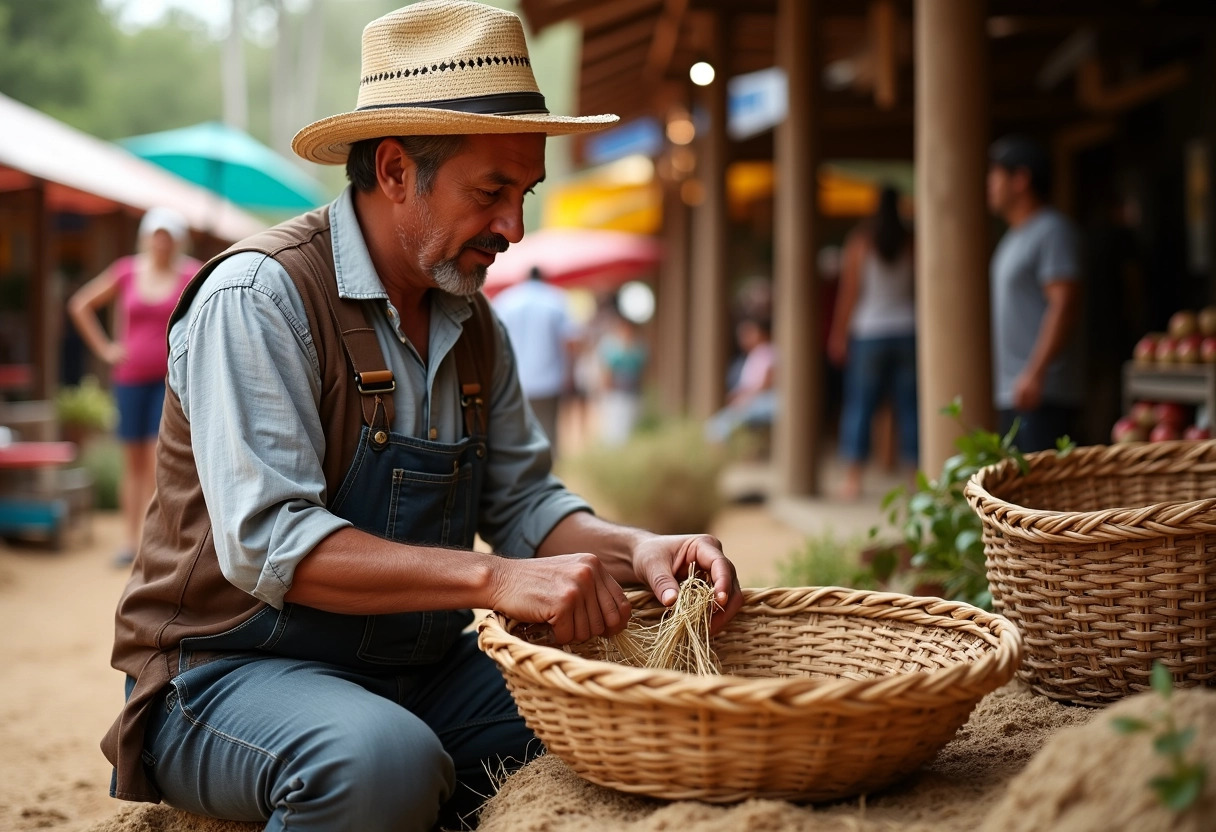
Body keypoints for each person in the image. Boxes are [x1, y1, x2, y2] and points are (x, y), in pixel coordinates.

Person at [100, 5, 743, 832]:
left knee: (626, 718)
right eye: (493, 191)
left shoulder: (477, 325)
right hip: (226, 674)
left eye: (526, 194)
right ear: (397, 169)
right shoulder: (257, 299)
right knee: (378, 765)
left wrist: (639, 550)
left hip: (421, 670)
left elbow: (521, 506)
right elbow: (272, 543)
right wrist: (497, 579)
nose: (517, 228)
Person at [67, 207, 199, 565]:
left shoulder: (191, 272)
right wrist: (105, 349)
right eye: (156, 235)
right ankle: (130, 541)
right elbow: (80, 305)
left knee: (162, 458)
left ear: (176, 241)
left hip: (170, 381)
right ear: (146, 237)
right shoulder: (126, 271)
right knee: (133, 462)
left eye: (167, 236)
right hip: (129, 380)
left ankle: (160, 540)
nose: (161, 243)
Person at [988, 135, 1084, 453]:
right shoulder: (1015, 236)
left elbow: (1064, 303)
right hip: (1016, 390)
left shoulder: (1051, 230)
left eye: (995, 174)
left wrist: (1035, 373)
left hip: (1043, 392)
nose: (989, 184)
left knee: (1043, 500)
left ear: (1021, 179)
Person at [827, 185, 918, 501]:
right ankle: (914, 479)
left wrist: (839, 334)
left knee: (860, 406)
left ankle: (853, 479)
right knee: (910, 407)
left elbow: (850, 292)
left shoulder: (861, 240)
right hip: (908, 329)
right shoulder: (912, 240)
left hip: (869, 332)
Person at [491, 265, 575, 452]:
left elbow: (493, 340)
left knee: (516, 434)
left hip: (514, 381)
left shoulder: (506, 300)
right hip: (549, 382)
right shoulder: (557, 299)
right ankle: (546, 475)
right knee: (548, 434)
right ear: (543, 278)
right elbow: (569, 342)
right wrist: (569, 375)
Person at [704, 316, 776, 445]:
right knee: (715, 424)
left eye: (749, 333)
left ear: (761, 332)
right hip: (751, 400)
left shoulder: (767, 352)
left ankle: (719, 454)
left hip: (763, 401)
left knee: (719, 426)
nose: (744, 338)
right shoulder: (752, 355)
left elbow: (766, 384)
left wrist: (743, 398)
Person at [595, 304, 648, 446]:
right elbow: (605, 371)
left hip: (633, 393)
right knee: (614, 432)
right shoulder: (610, 346)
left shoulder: (639, 347)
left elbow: (644, 369)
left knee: (631, 430)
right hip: (615, 394)